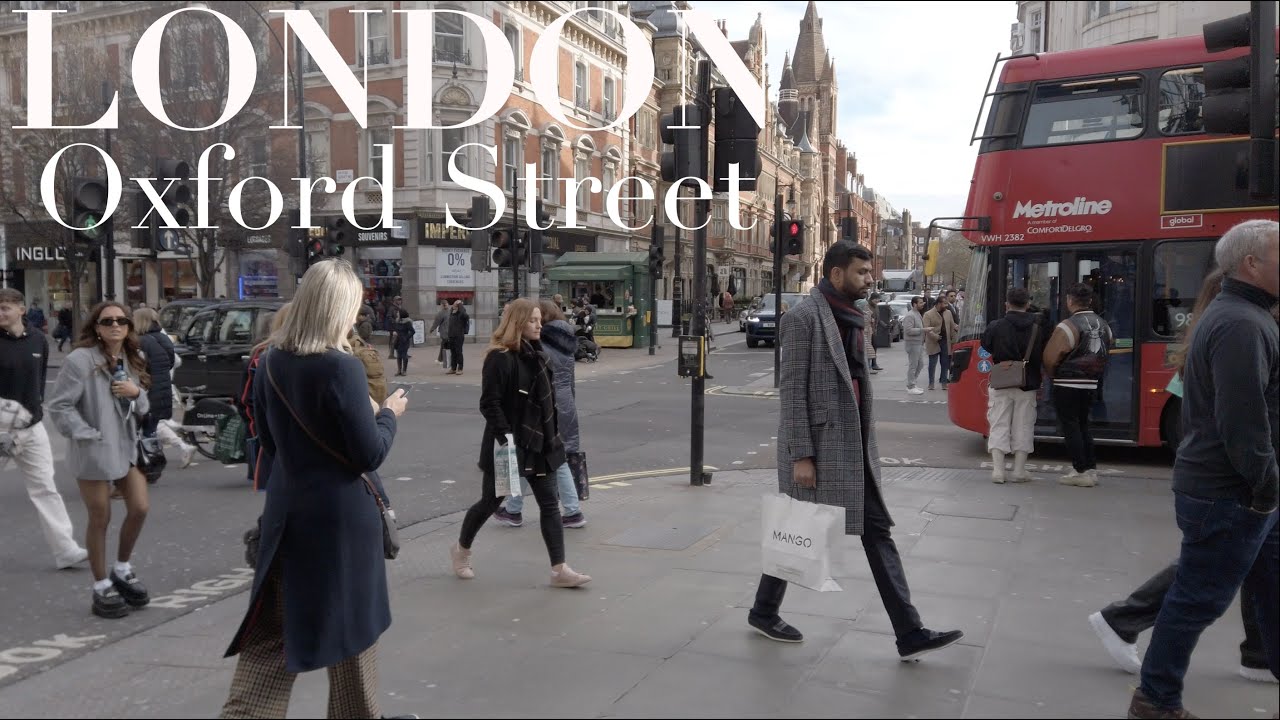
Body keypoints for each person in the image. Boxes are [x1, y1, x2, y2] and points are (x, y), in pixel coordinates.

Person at [747, 240, 964, 661]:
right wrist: (801, 455)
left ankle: (765, 611)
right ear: (835, 273)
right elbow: (792, 392)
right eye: (861, 272)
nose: (869, 279)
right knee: (811, 527)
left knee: (859, 529)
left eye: (869, 271)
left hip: (854, 443)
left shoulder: (851, 315)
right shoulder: (803, 318)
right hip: (821, 446)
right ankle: (908, 632)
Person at [219, 260, 410, 720]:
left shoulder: (271, 362)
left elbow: (268, 442)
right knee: (353, 631)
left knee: (272, 636)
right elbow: (368, 454)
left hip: (288, 513)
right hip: (339, 519)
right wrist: (388, 414)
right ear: (340, 308)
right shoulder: (341, 367)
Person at [1127, 220, 1279, 719]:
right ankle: (1155, 699)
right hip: (1232, 491)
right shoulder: (1241, 324)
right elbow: (1243, 419)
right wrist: (1265, 485)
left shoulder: (1246, 315)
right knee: (1197, 600)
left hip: (1243, 488)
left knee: (1271, 588)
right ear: (1252, 263)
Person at [450, 298, 591, 588]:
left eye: (540, 320)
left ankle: (559, 570)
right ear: (518, 323)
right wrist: (507, 439)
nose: (540, 326)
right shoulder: (499, 358)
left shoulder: (540, 354)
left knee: (549, 504)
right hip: (509, 445)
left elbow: (548, 400)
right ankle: (461, 550)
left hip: (541, 443)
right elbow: (489, 404)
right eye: (533, 321)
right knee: (490, 502)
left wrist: (553, 437)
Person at [46, 302, 152, 619]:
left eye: (121, 320)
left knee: (140, 507)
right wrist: (87, 433)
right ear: (96, 327)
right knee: (100, 517)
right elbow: (60, 406)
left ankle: (122, 568)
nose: (115, 326)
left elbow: (143, 407)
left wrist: (135, 393)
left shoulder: (133, 358)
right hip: (93, 448)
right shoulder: (80, 360)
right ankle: (101, 583)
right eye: (108, 321)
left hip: (125, 447)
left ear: (129, 327)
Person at [0, 288, 88, 570]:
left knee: (45, 488)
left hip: (32, 426)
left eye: (5, 308)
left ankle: (65, 550)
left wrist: (35, 409)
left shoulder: (38, 339)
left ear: (21, 309)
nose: (1, 313)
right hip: (0, 426)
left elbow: (38, 382)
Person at [494, 300, 587, 529]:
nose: (534, 322)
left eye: (536, 317)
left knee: (529, 455)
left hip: (543, 404)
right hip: (564, 403)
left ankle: (515, 509)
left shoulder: (539, 344)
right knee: (553, 457)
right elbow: (569, 380)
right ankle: (570, 511)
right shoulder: (566, 341)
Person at [1042, 283, 1114, 487]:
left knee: (1070, 426)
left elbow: (1050, 357)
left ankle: (1079, 469)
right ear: (1089, 301)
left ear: (1070, 301)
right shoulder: (1104, 325)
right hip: (1091, 383)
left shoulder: (1067, 326)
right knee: (1084, 425)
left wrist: (1053, 375)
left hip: (1067, 382)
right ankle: (1090, 468)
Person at [980, 287, 1047, 484]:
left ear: (1007, 304)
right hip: (1028, 381)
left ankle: (998, 471)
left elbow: (986, 345)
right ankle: (1019, 470)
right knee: (1024, 425)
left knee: (998, 422)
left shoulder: (996, 326)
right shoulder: (1038, 328)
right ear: (1028, 304)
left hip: (1001, 380)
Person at [133, 307, 196, 473]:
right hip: (164, 387)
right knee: (152, 429)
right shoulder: (163, 338)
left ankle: (147, 464)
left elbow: (136, 368)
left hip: (148, 391)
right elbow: (174, 361)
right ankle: (153, 461)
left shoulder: (141, 342)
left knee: (143, 431)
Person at [923, 296, 957, 391]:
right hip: (933, 341)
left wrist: (954, 339)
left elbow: (952, 326)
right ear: (938, 304)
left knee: (945, 363)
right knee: (932, 363)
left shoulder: (948, 312)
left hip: (945, 341)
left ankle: (944, 383)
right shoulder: (928, 314)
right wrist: (935, 336)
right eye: (944, 303)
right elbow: (927, 329)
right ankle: (931, 383)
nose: (946, 305)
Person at [901, 296, 927, 395]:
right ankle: (910, 385)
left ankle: (913, 383)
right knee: (913, 365)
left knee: (920, 364)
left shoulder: (917, 313)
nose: (922, 304)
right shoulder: (910, 315)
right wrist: (923, 330)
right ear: (914, 304)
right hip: (913, 343)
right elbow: (908, 330)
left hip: (919, 343)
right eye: (920, 303)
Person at [446, 300, 469, 375]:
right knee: (453, 353)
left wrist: (460, 305)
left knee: (458, 352)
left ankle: (460, 368)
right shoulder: (452, 313)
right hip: (451, 335)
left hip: (459, 336)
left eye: (456, 304)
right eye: (454, 304)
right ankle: (453, 368)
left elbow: (466, 316)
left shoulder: (461, 314)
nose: (454, 305)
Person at [430, 298, 451, 370]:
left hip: (444, 332)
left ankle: (445, 361)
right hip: (451, 332)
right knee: (444, 345)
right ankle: (440, 359)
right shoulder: (451, 312)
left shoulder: (441, 313)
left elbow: (436, 322)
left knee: (445, 346)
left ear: (441, 305)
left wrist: (432, 329)